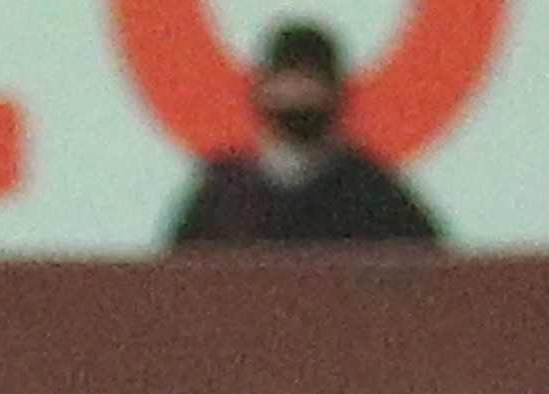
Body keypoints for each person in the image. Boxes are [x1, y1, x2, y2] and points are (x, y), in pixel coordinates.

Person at [165, 22, 445, 249]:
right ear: (261, 90)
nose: (298, 94)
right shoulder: (225, 192)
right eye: (287, 81)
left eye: (310, 82)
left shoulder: (372, 192)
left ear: (337, 93)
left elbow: (428, 275)